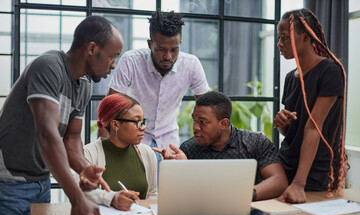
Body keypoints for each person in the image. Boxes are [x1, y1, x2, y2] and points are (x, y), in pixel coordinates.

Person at [0, 15, 123, 215]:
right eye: (112, 57)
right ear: (92, 48)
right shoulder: (48, 66)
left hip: (41, 182)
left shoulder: (84, 85)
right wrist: (77, 199)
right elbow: (47, 134)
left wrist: (83, 168)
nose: (113, 65)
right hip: (9, 183)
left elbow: (71, 138)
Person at [107, 10, 210, 164]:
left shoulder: (191, 64)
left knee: (168, 188)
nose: (168, 56)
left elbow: (208, 109)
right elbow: (110, 109)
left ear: (180, 44)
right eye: (161, 49)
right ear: (150, 44)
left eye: (174, 49)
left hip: (169, 143)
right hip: (132, 141)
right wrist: (106, 153)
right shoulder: (131, 61)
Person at [153, 91, 288, 201]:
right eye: (194, 120)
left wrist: (243, 196)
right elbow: (179, 197)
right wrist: (180, 170)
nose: (195, 127)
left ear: (223, 124)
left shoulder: (256, 142)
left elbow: (279, 182)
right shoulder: (188, 148)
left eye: (202, 122)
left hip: (247, 213)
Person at [274, 8, 347, 203]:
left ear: (306, 37)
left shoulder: (330, 72)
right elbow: (290, 132)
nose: (279, 44)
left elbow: (313, 128)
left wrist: (298, 184)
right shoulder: (291, 78)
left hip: (314, 176)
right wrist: (282, 123)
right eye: (278, 38)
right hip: (285, 166)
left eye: (284, 38)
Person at [81, 94, 157, 211]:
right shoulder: (88, 153)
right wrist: (112, 198)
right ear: (115, 124)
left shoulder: (147, 153)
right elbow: (82, 191)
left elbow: (152, 194)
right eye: (137, 121)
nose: (143, 127)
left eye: (143, 121)